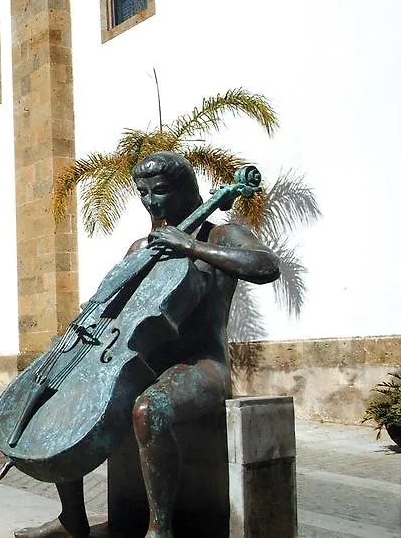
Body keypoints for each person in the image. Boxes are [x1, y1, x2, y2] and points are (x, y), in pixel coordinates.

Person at [16, 152, 280, 538]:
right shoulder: (143, 246)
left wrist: (191, 248)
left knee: (146, 410)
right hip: (140, 359)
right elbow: (111, 305)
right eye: (143, 193)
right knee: (67, 407)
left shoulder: (218, 235)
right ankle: (71, 518)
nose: (152, 202)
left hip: (201, 363)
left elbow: (265, 265)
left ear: (186, 190)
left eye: (160, 191)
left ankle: (160, 529)